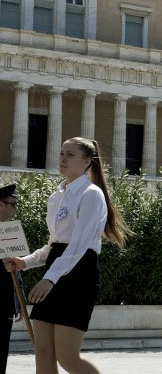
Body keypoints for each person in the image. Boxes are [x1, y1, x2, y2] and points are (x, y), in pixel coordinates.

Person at [4, 137, 129, 374]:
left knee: (67, 357)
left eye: (69, 155)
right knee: (42, 354)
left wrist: (50, 278)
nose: (62, 159)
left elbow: (79, 246)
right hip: (56, 267)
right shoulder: (57, 195)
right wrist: (25, 262)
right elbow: (55, 244)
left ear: (86, 162)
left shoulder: (92, 194)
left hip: (79, 275)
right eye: (61, 154)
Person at [0, 184, 21, 374]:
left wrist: (19, 302)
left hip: (5, 305)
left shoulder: (11, 230)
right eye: (12, 204)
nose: (15, 209)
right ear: (1, 205)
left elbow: (17, 271)